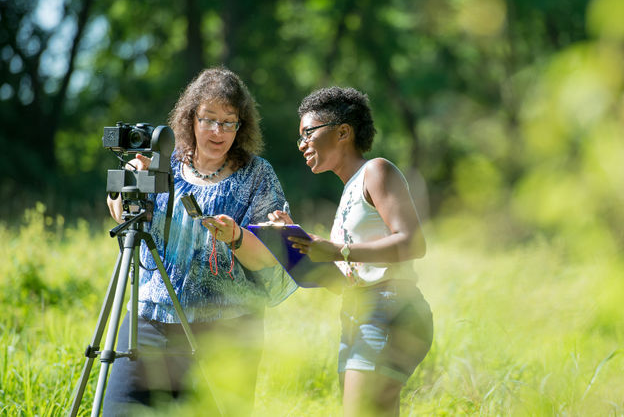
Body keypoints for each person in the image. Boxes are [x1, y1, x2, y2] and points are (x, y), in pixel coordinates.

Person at [103, 67, 296, 415]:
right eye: (209, 119)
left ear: (242, 126)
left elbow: (272, 258)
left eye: (229, 122)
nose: (218, 131)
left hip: (226, 334)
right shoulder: (164, 164)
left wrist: (237, 236)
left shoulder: (258, 175)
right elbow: (123, 214)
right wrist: (129, 183)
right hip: (149, 323)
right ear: (190, 118)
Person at [269, 86, 433, 416]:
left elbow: (413, 243)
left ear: (343, 132)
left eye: (308, 133)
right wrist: (296, 244)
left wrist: (337, 250)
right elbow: (345, 278)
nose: (302, 144)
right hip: (359, 312)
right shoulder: (348, 191)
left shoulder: (377, 171)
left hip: (388, 308)